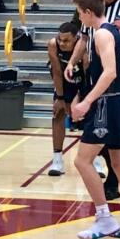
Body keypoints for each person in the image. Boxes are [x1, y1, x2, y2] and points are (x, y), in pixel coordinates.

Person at [67, 0, 120, 239]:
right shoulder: (114, 32)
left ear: (89, 12)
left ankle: (104, 218)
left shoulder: (100, 33)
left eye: (80, 14)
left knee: (82, 161)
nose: (79, 19)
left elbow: (109, 72)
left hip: (107, 103)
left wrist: (87, 102)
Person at [47, 22, 81, 176]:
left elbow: (88, 72)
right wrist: (60, 98)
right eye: (60, 39)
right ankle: (57, 160)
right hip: (63, 81)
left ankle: (96, 160)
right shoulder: (53, 45)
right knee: (58, 114)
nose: (62, 43)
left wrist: (82, 98)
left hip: (83, 81)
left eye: (66, 40)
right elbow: (56, 72)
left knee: (90, 117)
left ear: (75, 38)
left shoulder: (83, 45)